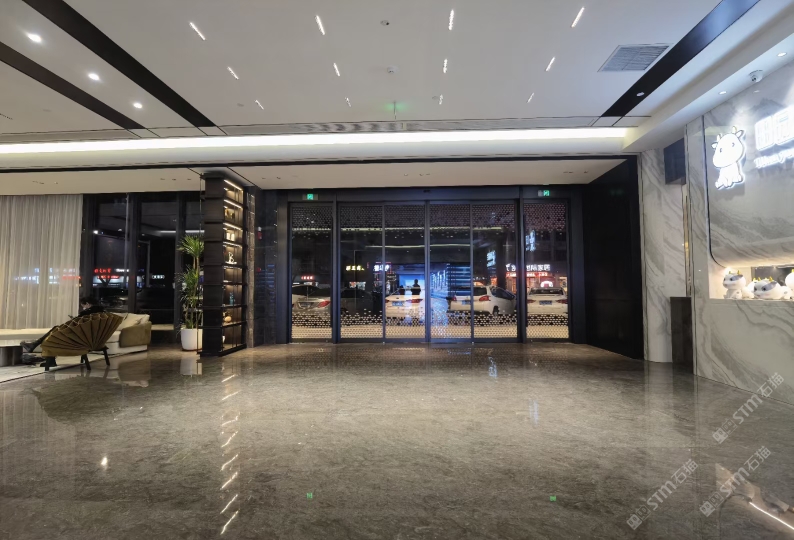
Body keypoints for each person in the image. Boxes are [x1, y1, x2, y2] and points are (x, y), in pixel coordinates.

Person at [20, 297, 105, 353]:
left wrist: (74, 319)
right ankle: (34, 344)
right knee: (56, 329)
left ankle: (35, 345)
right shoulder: (102, 313)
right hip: (95, 339)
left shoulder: (87, 313)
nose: (83, 307)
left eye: (83, 306)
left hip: (82, 339)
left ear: (87, 304)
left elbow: (76, 324)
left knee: (54, 335)